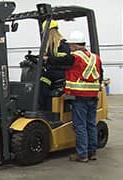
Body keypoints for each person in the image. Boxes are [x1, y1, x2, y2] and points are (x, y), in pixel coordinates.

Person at [44, 30, 103, 162]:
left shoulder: (75, 57)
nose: (70, 48)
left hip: (79, 97)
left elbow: (60, 61)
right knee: (91, 125)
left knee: (80, 126)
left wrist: (47, 59)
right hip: (93, 96)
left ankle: (82, 155)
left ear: (75, 46)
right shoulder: (95, 58)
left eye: (71, 46)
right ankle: (92, 152)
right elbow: (101, 75)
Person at [39, 19, 70, 111]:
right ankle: (43, 105)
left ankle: (44, 107)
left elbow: (65, 61)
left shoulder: (62, 45)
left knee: (41, 83)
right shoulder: (49, 45)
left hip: (61, 72)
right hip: (52, 71)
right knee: (37, 81)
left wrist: (48, 60)